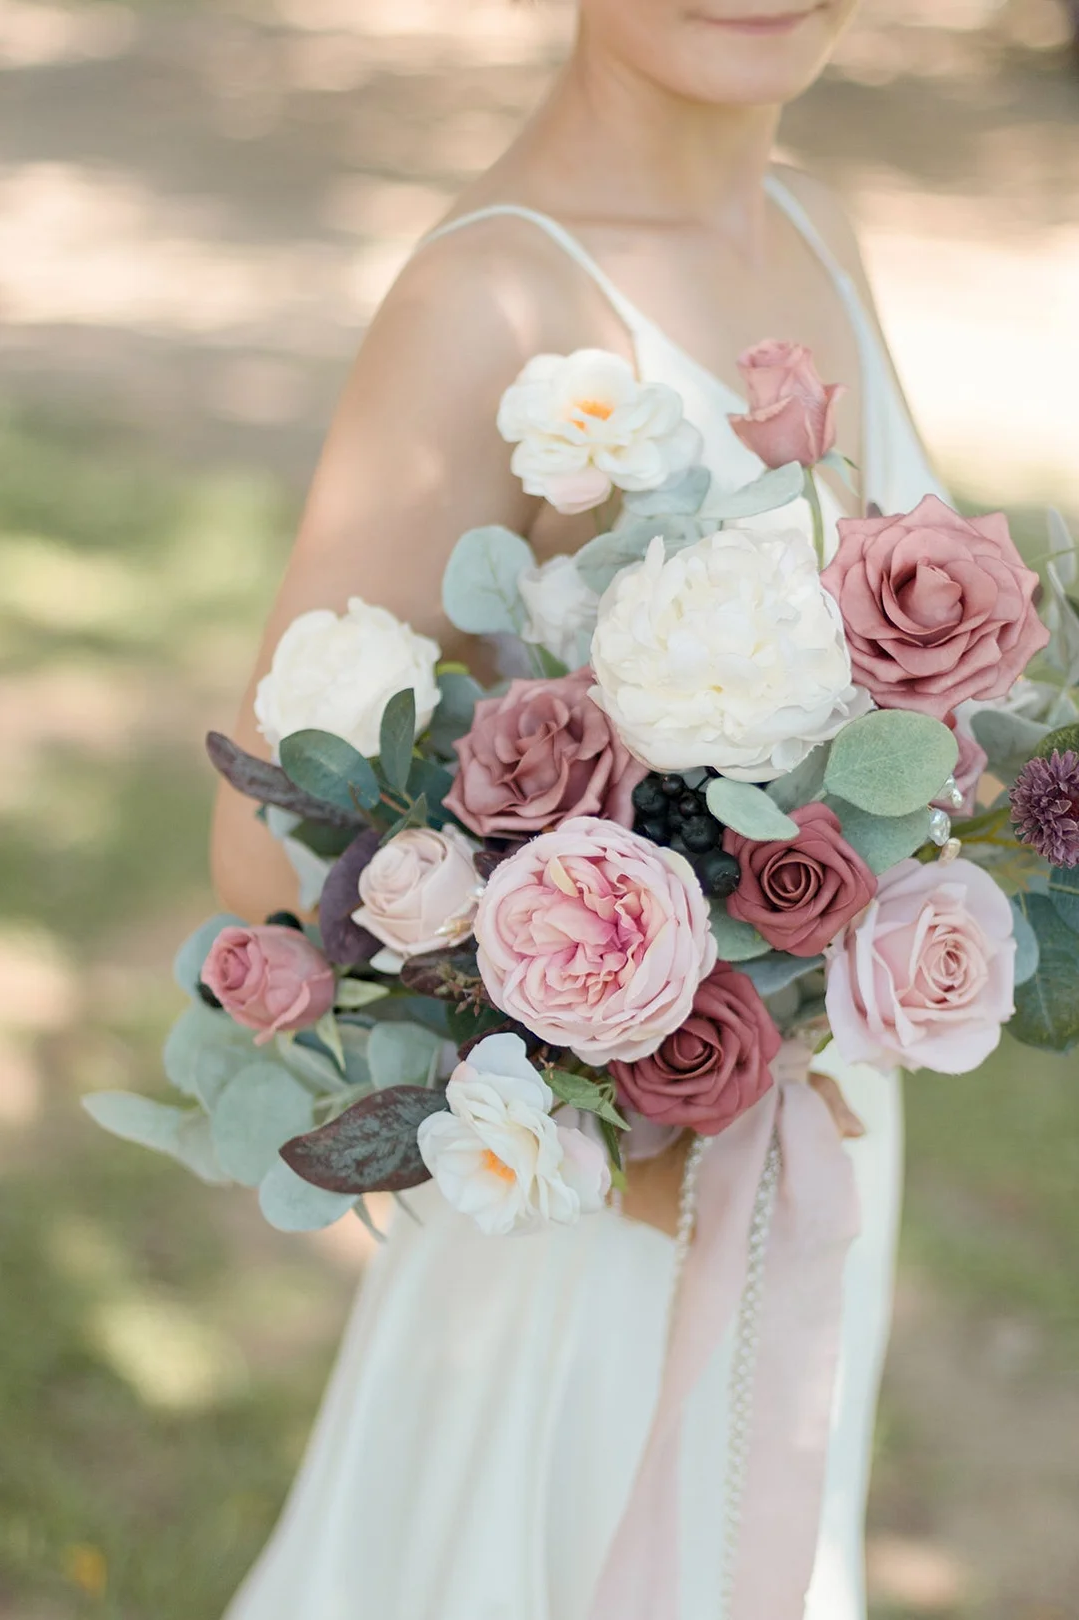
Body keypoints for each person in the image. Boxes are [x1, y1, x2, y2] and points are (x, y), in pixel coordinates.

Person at [212, 4, 946, 1616]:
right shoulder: (490, 298)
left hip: (822, 1148)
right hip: (602, 1210)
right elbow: (265, 856)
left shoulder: (821, 224)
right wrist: (621, 1114)